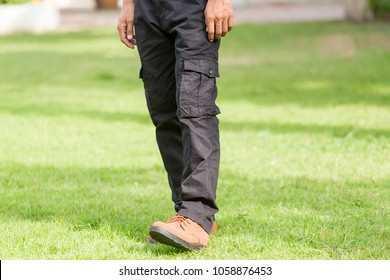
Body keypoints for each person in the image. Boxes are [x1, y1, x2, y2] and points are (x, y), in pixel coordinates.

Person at [117, 0, 234, 251]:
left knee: (195, 109)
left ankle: (197, 213)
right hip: (147, 8)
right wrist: (129, 4)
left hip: (193, 6)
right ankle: (188, 213)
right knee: (165, 112)